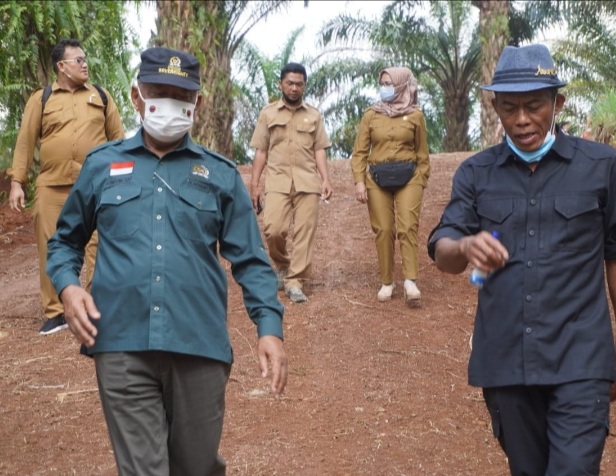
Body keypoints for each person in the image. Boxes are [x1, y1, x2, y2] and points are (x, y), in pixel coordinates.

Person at [46, 47, 287, 474]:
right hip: (121, 343)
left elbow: (250, 260)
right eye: (159, 90)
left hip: (199, 345)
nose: (170, 104)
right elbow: (65, 241)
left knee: (194, 467)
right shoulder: (102, 165)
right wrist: (68, 286)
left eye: (182, 94)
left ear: (198, 103)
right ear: (137, 97)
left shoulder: (220, 174)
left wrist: (269, 328)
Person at [428, 44, 616, 475]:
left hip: (581, 359)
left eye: (534, 106)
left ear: (558, 103)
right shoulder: (475, 173)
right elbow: (443, 250)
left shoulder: (601, 165)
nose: (522, 120)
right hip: (506, 361)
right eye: (510, 108)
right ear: (495, 108)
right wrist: (467, 247)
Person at [7, 38, 125, 335]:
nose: (85, 64)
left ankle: (96, 305)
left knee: (101, 244)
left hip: (97, 185)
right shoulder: (42, 98)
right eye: (78, 60)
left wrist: (124, 179)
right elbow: (25, 142)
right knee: (50, 243)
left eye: (86, 59)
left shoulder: (101, 96)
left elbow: (119, 142)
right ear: (61, 67)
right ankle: (57, 311)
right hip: (52, 185)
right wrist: (17, 182)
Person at [249, 62, 332, 303]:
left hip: (307, 181)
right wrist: (255, 184)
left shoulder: (314, 115)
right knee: (273, 229)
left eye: (299, 84)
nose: (294, 88)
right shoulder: (268, 114)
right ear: (281, 84)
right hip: (277, 181)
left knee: (305, 232)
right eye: (290, 83)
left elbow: (319, 150)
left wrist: (325, 178)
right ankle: (283, 266)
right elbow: (261, 151)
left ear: (304, 85)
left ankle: (295, 282)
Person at [351, 67, 429, 305]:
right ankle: (387, 281)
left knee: (408, 226)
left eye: (389, 83)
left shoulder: (415, 115)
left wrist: (421, 178)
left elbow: (422, 152)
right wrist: (359, 182)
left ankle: (410, 281)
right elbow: (360, 152)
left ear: (402, 86)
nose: (384, 87)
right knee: (384, 229)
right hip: (377, 177)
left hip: (409, 176)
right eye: (382, 83)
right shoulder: (371, 115)